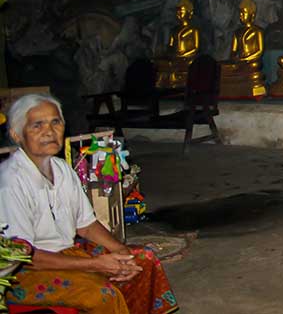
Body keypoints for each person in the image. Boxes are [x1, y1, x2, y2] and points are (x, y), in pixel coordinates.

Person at [0, 94, 178, 313]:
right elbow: (23, 256)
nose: (49, 131)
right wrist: (95, 264)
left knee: (143, 260)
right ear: (16, 134)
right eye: (37, 125)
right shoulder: (9, 182)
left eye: (56, 122)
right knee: (102, 295)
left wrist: (121, 251)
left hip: (66, 254)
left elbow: (85, 224)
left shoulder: (61, 168)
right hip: (24, 273)